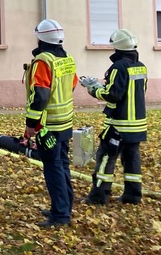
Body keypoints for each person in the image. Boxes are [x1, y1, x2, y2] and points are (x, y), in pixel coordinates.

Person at [22, 19, 78, 228]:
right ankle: (63, 207)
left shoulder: (43, 61)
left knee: (53, 168)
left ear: (41, 37)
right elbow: (71, 85)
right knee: (62, 165)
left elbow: (40, 96)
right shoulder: (67, 59)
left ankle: (60, 215)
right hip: (65, 122)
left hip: (49, 126)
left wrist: (31, 124)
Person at [83, 28, 147, 205]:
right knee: (132, 160)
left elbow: (113, 94)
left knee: (105, 159)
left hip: (119, 125)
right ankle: (133, 196)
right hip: (137, 125)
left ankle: (98, 196)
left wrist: (93, 88)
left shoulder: (118, 67)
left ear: (117, 48)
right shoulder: (140, 66)